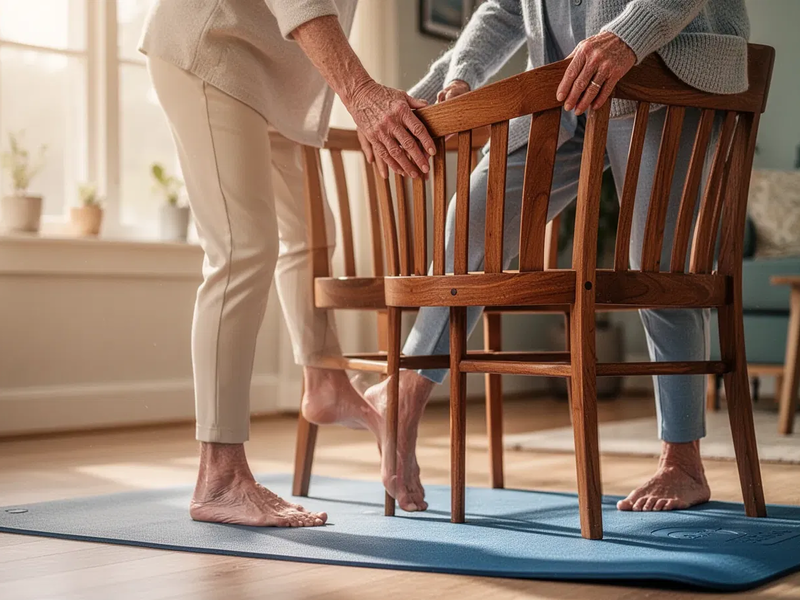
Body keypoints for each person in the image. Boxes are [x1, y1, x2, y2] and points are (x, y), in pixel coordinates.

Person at [365, 0, 750, 514]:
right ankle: (403, 397)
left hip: (663, 66)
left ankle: (683, 462)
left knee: (655, 262)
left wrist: (629, 34)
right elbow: (505, 7)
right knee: (472, 222)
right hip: (562, 90)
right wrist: (461, 74)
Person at [140, 0, 436, 527]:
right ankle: (220, 477)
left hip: (276, 72)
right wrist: (362, 93)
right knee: (241, 249)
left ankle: (325, 382)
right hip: (215, 44)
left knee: (310, 236)